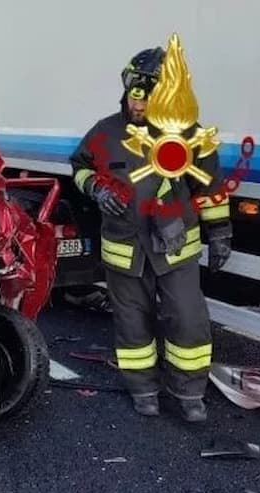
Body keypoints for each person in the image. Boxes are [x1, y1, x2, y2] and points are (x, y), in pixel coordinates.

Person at [69, 46, 233, 422]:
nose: (138, 104)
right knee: (132, 322)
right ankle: (142, 388)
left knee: (189, 319)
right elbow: (79, 166)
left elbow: (211, 188)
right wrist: (95, 187)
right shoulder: (105, 131)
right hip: (125, 249)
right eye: (134, 93)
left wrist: (220, 230)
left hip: (175, 247)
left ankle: (189, 392)